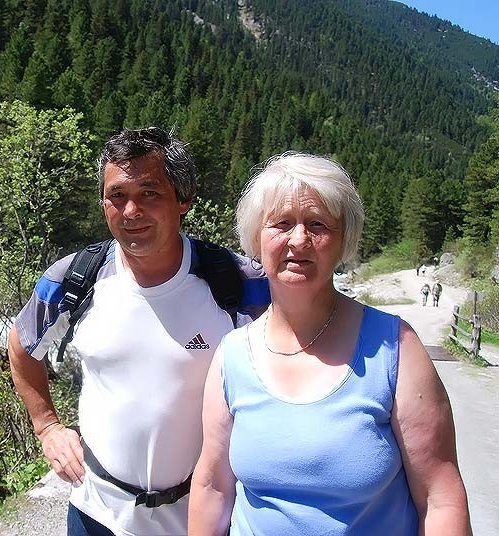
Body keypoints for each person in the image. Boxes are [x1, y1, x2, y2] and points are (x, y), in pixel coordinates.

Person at [188, 153, 471, 535]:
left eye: (317, 224)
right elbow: (213, 487)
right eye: (282, 224)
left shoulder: (395, 348)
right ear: (257, 238)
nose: (298, 239)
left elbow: (441, 497)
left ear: (343, 241)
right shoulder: (233, 355)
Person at [8, 126, 269, 536]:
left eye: (149, 193)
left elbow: (296, 353)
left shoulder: (237, 282)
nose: (131, 211)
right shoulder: (74, 279)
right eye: (117, 195)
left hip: (204, 516)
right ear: (103, 203)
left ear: (183, 200)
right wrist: (47, 427)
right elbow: (22, 346)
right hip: (96, 514)